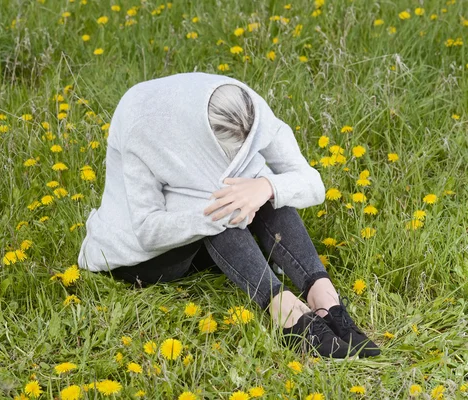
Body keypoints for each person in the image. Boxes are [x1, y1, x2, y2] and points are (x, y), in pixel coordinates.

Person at [77, 72, 380, 359]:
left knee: (264, 192)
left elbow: (312, 183)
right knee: (222, 204)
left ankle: (326, 299)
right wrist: (215, 214)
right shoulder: (143, 123)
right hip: (150, 257)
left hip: (209, 230)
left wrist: (264, 186)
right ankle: (287, 316)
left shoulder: (244, 104)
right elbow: (147, 230)